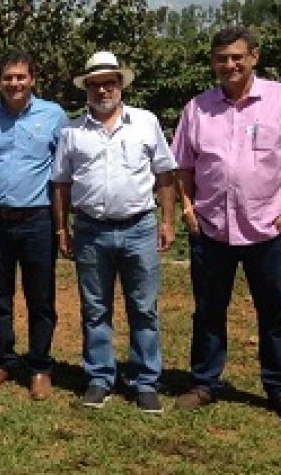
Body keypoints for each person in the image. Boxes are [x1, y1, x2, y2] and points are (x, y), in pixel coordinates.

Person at [171, 26, 281, 426]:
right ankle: (205, 383)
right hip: (212, 229)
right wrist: (188, 210)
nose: (230, 65)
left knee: (274, 311)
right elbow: (183, 167)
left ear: (254, 56)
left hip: (268, 229)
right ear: (213, 62)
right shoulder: (198, 108)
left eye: (237, 56)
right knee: (208, 310)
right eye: (222, 58)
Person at [51, 51, 176, 414]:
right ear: (86, 89)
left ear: (121, 84)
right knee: (95, 308)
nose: (103, 89)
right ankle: (99, 377)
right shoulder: (72, 131)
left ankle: (145, 381)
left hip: (139, 227)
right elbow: (60, 183)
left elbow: (164, 173)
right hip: (90, 230)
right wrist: (62, 227)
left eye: (110, 82)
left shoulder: (146, 123)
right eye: (95, 84)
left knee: (144, 308)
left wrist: (168, 221)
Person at [0, 51, 67, 400]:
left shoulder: (53, 116)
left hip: (36, 219)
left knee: (40, 297)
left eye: (20, 77)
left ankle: (39, 366)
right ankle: (3, 360)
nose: (14, 83)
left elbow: (64, 169)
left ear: (32, 79)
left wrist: (62, 223)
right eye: (8, 78)